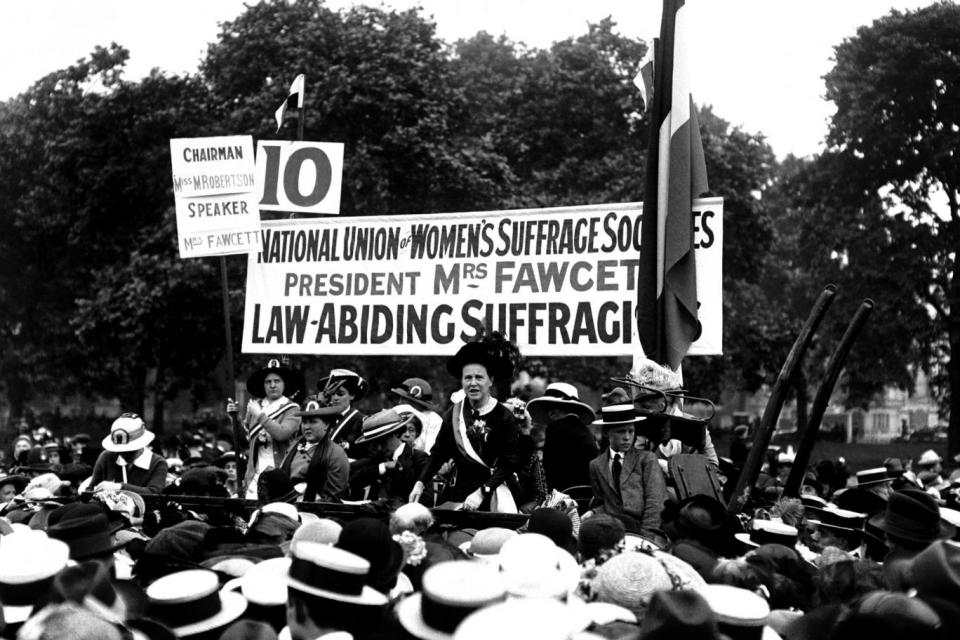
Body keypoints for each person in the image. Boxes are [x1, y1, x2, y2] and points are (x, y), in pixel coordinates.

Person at [409, 340, 521, 512]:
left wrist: (482, 493)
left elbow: (509, 463)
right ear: (462, 381)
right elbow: (439, 453)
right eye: (468, 377)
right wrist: (420, 482)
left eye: (479, 377)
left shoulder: (504, 417)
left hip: (492, 493)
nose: (473, 383)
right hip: (457, 492)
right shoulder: (453, 414)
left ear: (490, 380)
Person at [587, 403, 668, 545]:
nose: (627, 437)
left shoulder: (646, 459)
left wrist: (645, 538)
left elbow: (656, 502)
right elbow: (603, 502)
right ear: (607, 432)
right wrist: (593, 513)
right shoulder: (596, 465)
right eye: (621, 432)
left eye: (631, 431)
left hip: (646, 531)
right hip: (613, 532)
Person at [230, 359, 303, 499]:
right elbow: (246, 440)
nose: (272, 385)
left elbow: (281, 434)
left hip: (280, 474)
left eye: (277, 381)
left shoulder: (293, 409)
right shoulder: (255, 405)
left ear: (284, 384)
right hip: (255, 474)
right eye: (268, 382)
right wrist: (234, 417)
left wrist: (259, 415)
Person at [349, 408, 432, 509]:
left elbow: (426, 500)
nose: (379, 448)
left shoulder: (419, 459)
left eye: (382, 441)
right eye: (374, 444)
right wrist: (382, 467)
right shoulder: (377, 459)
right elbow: (353, 479)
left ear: (396, 434)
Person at [530, 382, 598, 492]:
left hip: (565, 495)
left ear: (552, 413)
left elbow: (549, 467)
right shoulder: (587, 431)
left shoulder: (555, 428)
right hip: (588, 493)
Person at [279, 398, 349, 502]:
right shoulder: (294, 446)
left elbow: (335, 495)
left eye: (313, 422)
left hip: (316, 510)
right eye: (304, 422)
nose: (307, 427)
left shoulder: (336, 453)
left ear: (326, 424)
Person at [90, 413, 168, 494]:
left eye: (129, 450)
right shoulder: (106, 457)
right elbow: (91, 489)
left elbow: (154, 492)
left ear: (141, 444)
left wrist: (119, 487)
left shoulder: (158, 463)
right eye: (119, 450)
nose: (123, 454)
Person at [316, 368, 368, 455]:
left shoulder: (361, 422)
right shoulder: (322, 418)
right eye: (331, 394)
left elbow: (365, 455)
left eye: (340, 394)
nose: (335, 398)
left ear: (352, 395)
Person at [391, 377, 444, 453]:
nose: (400, 402)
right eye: (400, 398)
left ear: (415, 402)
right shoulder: (399, 415)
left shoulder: (434, 420)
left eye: (404, 399)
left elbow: (430, 453)